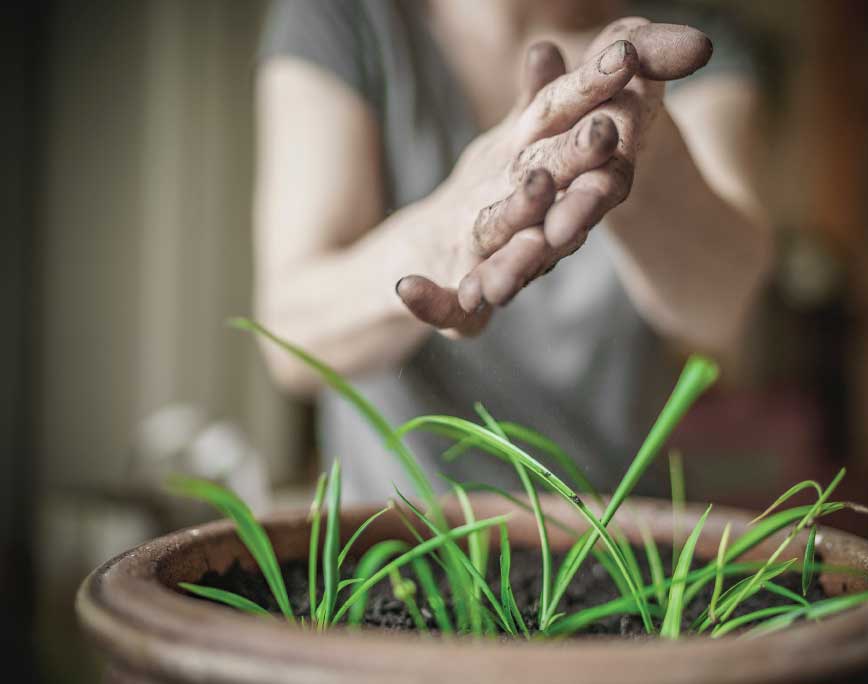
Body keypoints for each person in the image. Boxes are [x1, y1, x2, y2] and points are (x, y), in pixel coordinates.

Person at [256, 0, 771, 502]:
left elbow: (724, 309)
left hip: (611, 535)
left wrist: (643, 151)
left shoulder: (696, 35)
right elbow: (289, 334)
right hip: (396, 532)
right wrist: (440, 239)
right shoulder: (346, 18)